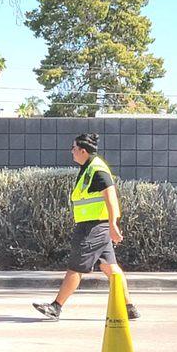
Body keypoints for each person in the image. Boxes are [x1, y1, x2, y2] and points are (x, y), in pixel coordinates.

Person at [32, 133, 140, 321]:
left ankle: (56, 307)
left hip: (93, 228)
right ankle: (129, 307)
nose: (71, 152)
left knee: (76, 267)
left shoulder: (97, 170)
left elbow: (111, 196)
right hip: (94, 225)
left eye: (73, 148)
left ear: (83, 150)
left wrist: (113, 224)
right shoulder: (88, 168)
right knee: (111, 268)